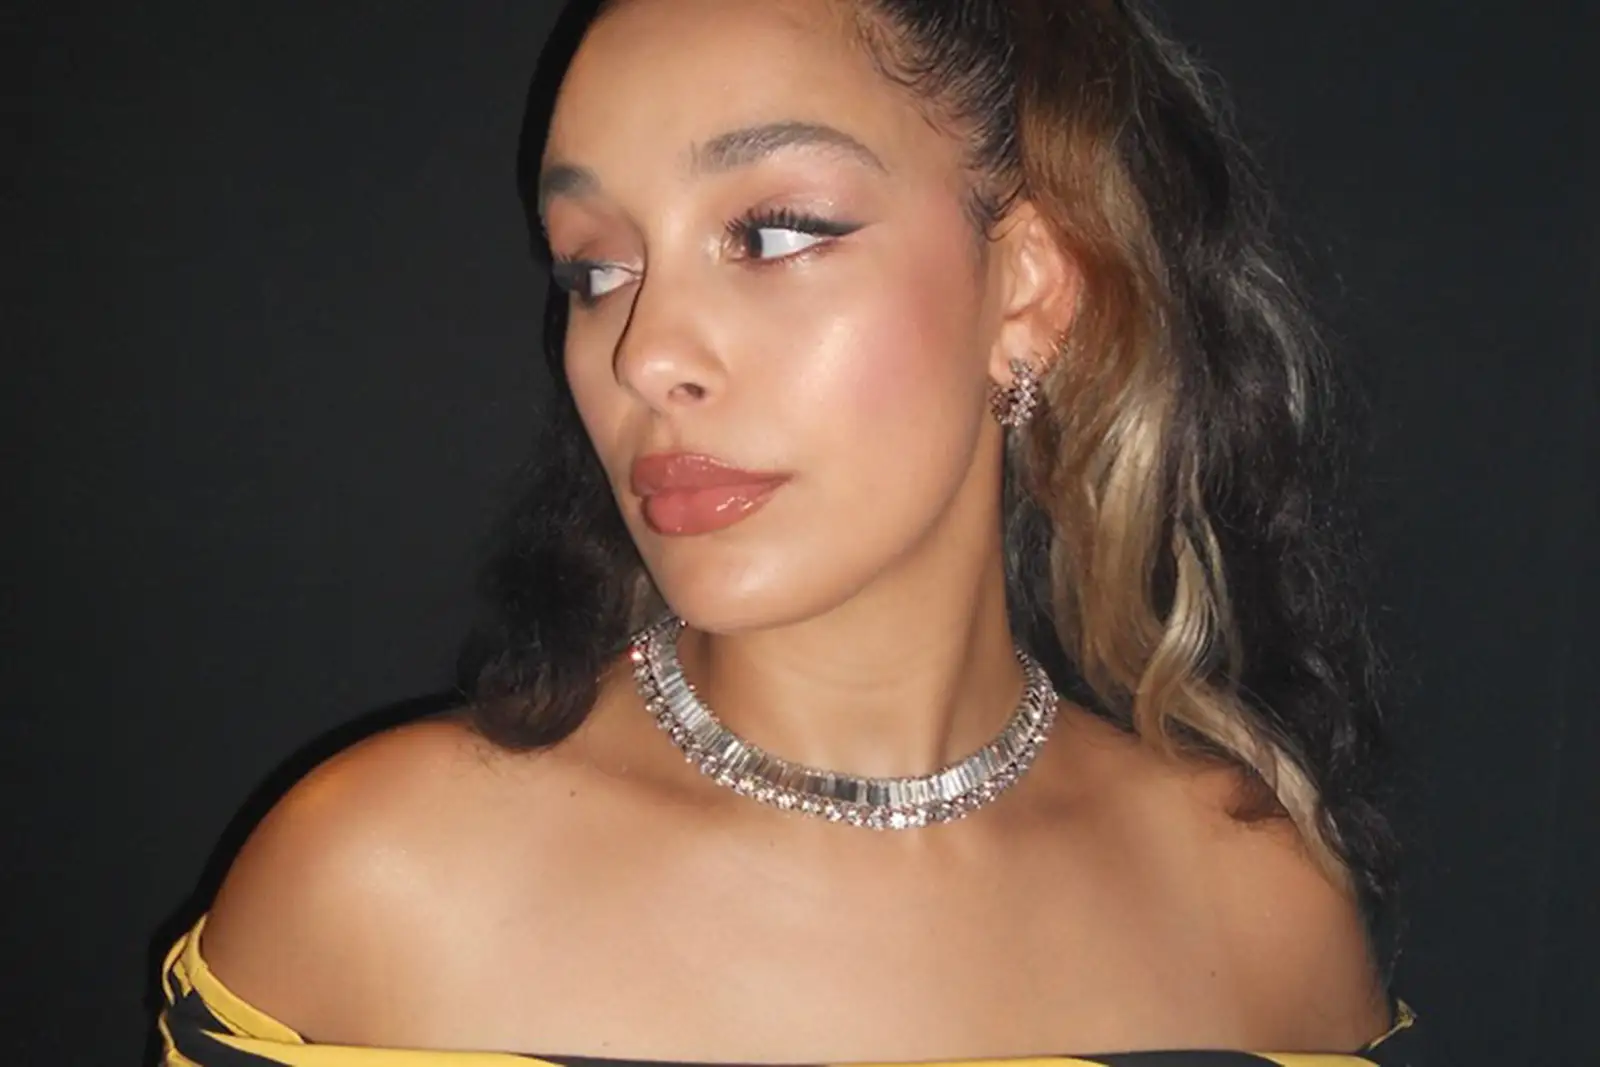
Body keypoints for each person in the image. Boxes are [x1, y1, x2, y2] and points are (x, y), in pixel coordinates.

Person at [157, 0, 1422, 1063]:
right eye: (593, 268)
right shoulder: (380, 884)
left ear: (1027, 290)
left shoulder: (1253, 902)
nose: (645, 353)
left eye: (770, 234)